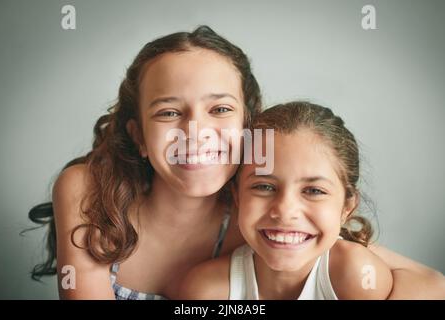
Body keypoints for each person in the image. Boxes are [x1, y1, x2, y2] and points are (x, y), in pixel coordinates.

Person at [29, 27, 445, 300]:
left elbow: (429, 283)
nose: (197, 133)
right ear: (138, 136)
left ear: (250, 128)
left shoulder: (260, 216)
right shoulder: (87, 189)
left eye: (221, 110)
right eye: (169, 113)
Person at [178, 101, 444, 299]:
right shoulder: (209, 290)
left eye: (314, 191)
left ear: (347, 207)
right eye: (264, 186)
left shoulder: (354, 275)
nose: (285, 210)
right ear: (237, 197)